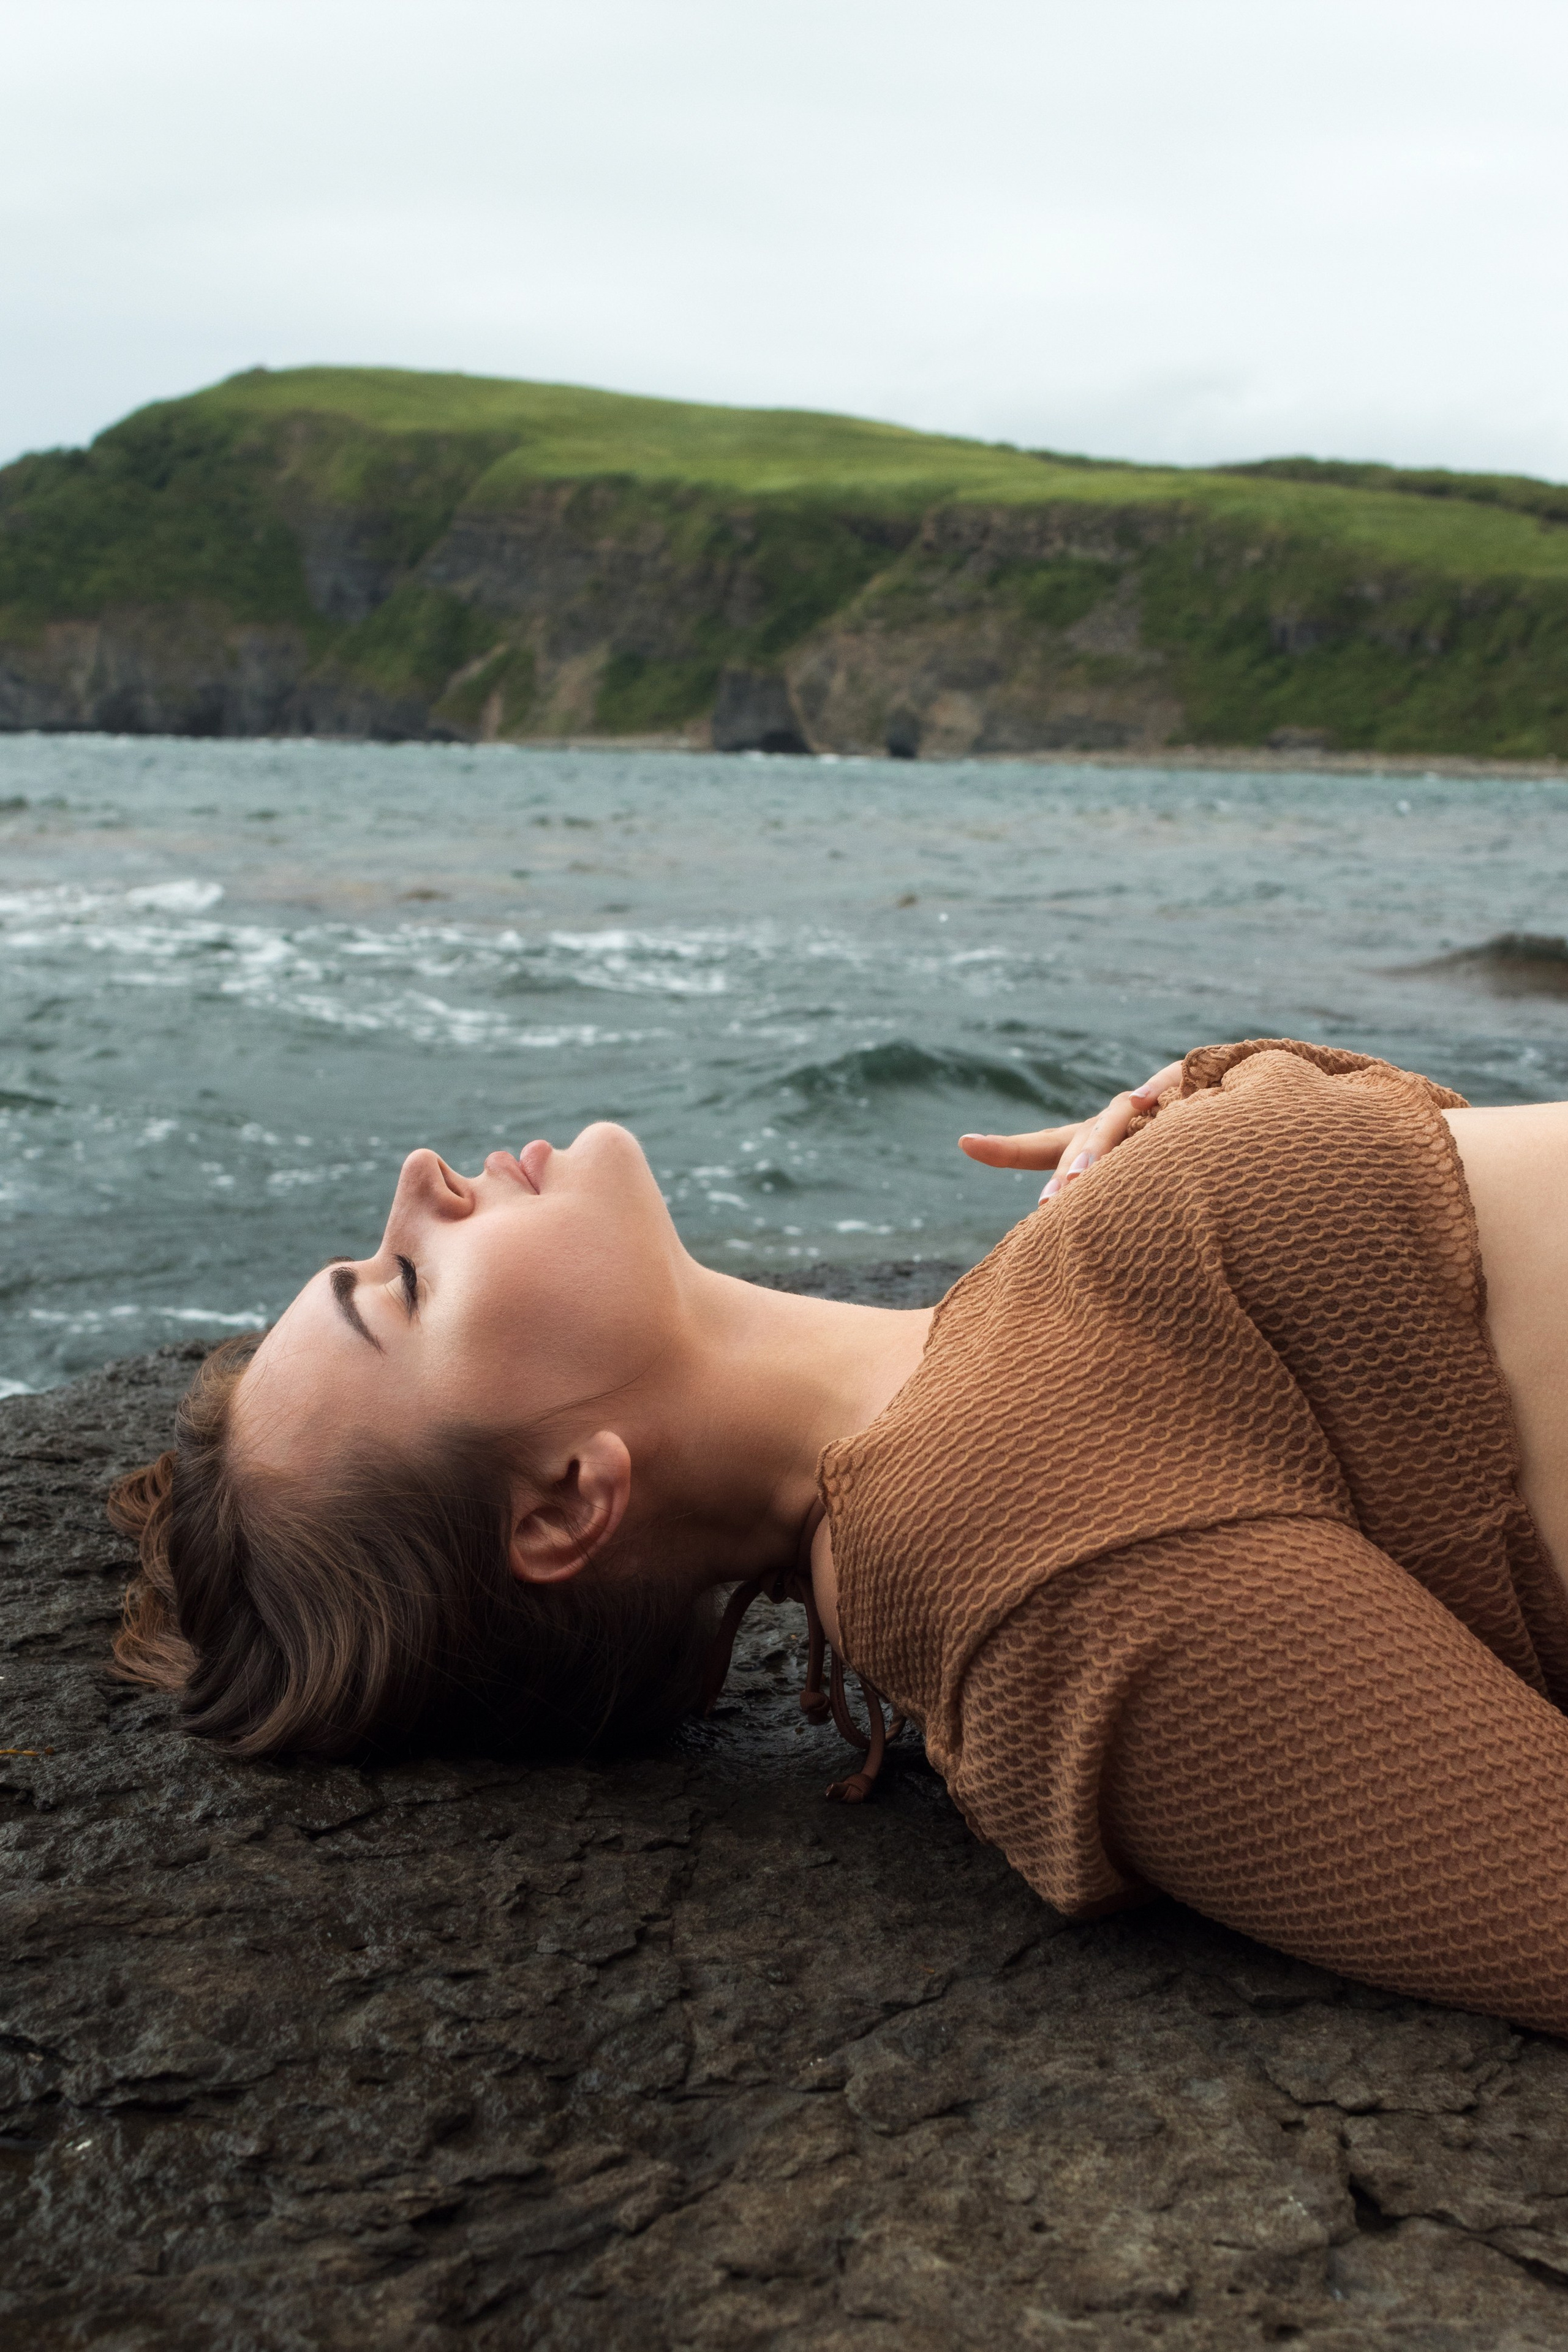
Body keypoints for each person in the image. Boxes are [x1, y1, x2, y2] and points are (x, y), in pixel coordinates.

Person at [108, 1038, 1568, 2035]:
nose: (421, 1179)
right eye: (407, 1287)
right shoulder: (993, 1543)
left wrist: (1210, 1093)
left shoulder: (996, 1350)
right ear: (564, 1501)